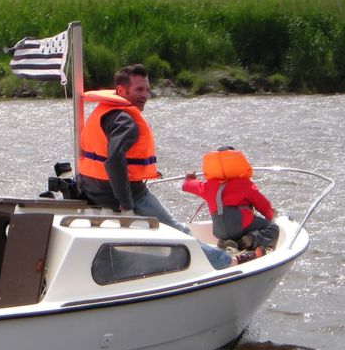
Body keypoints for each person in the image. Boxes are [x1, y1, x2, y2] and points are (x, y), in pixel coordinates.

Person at [78, 63, 232, 270]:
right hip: (126, 193)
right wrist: (126, 205)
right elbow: (114, 159)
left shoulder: (103, 111)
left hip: (92, 188)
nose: (145, 95)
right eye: (139, 90)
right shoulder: (125, 120)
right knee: (178, 232)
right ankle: (225, 261)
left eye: (147, 90)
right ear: (121, 91)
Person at [182, 147, 279, 263]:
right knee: (272, 228)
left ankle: (226, 243)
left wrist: (189, 178)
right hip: (242, 224)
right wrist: (270, 215)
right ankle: (249, 240)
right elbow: (263, 205)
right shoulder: (244, 184)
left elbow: (186, 186)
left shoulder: (208, 186)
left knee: (229, 232)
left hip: (219, 231)